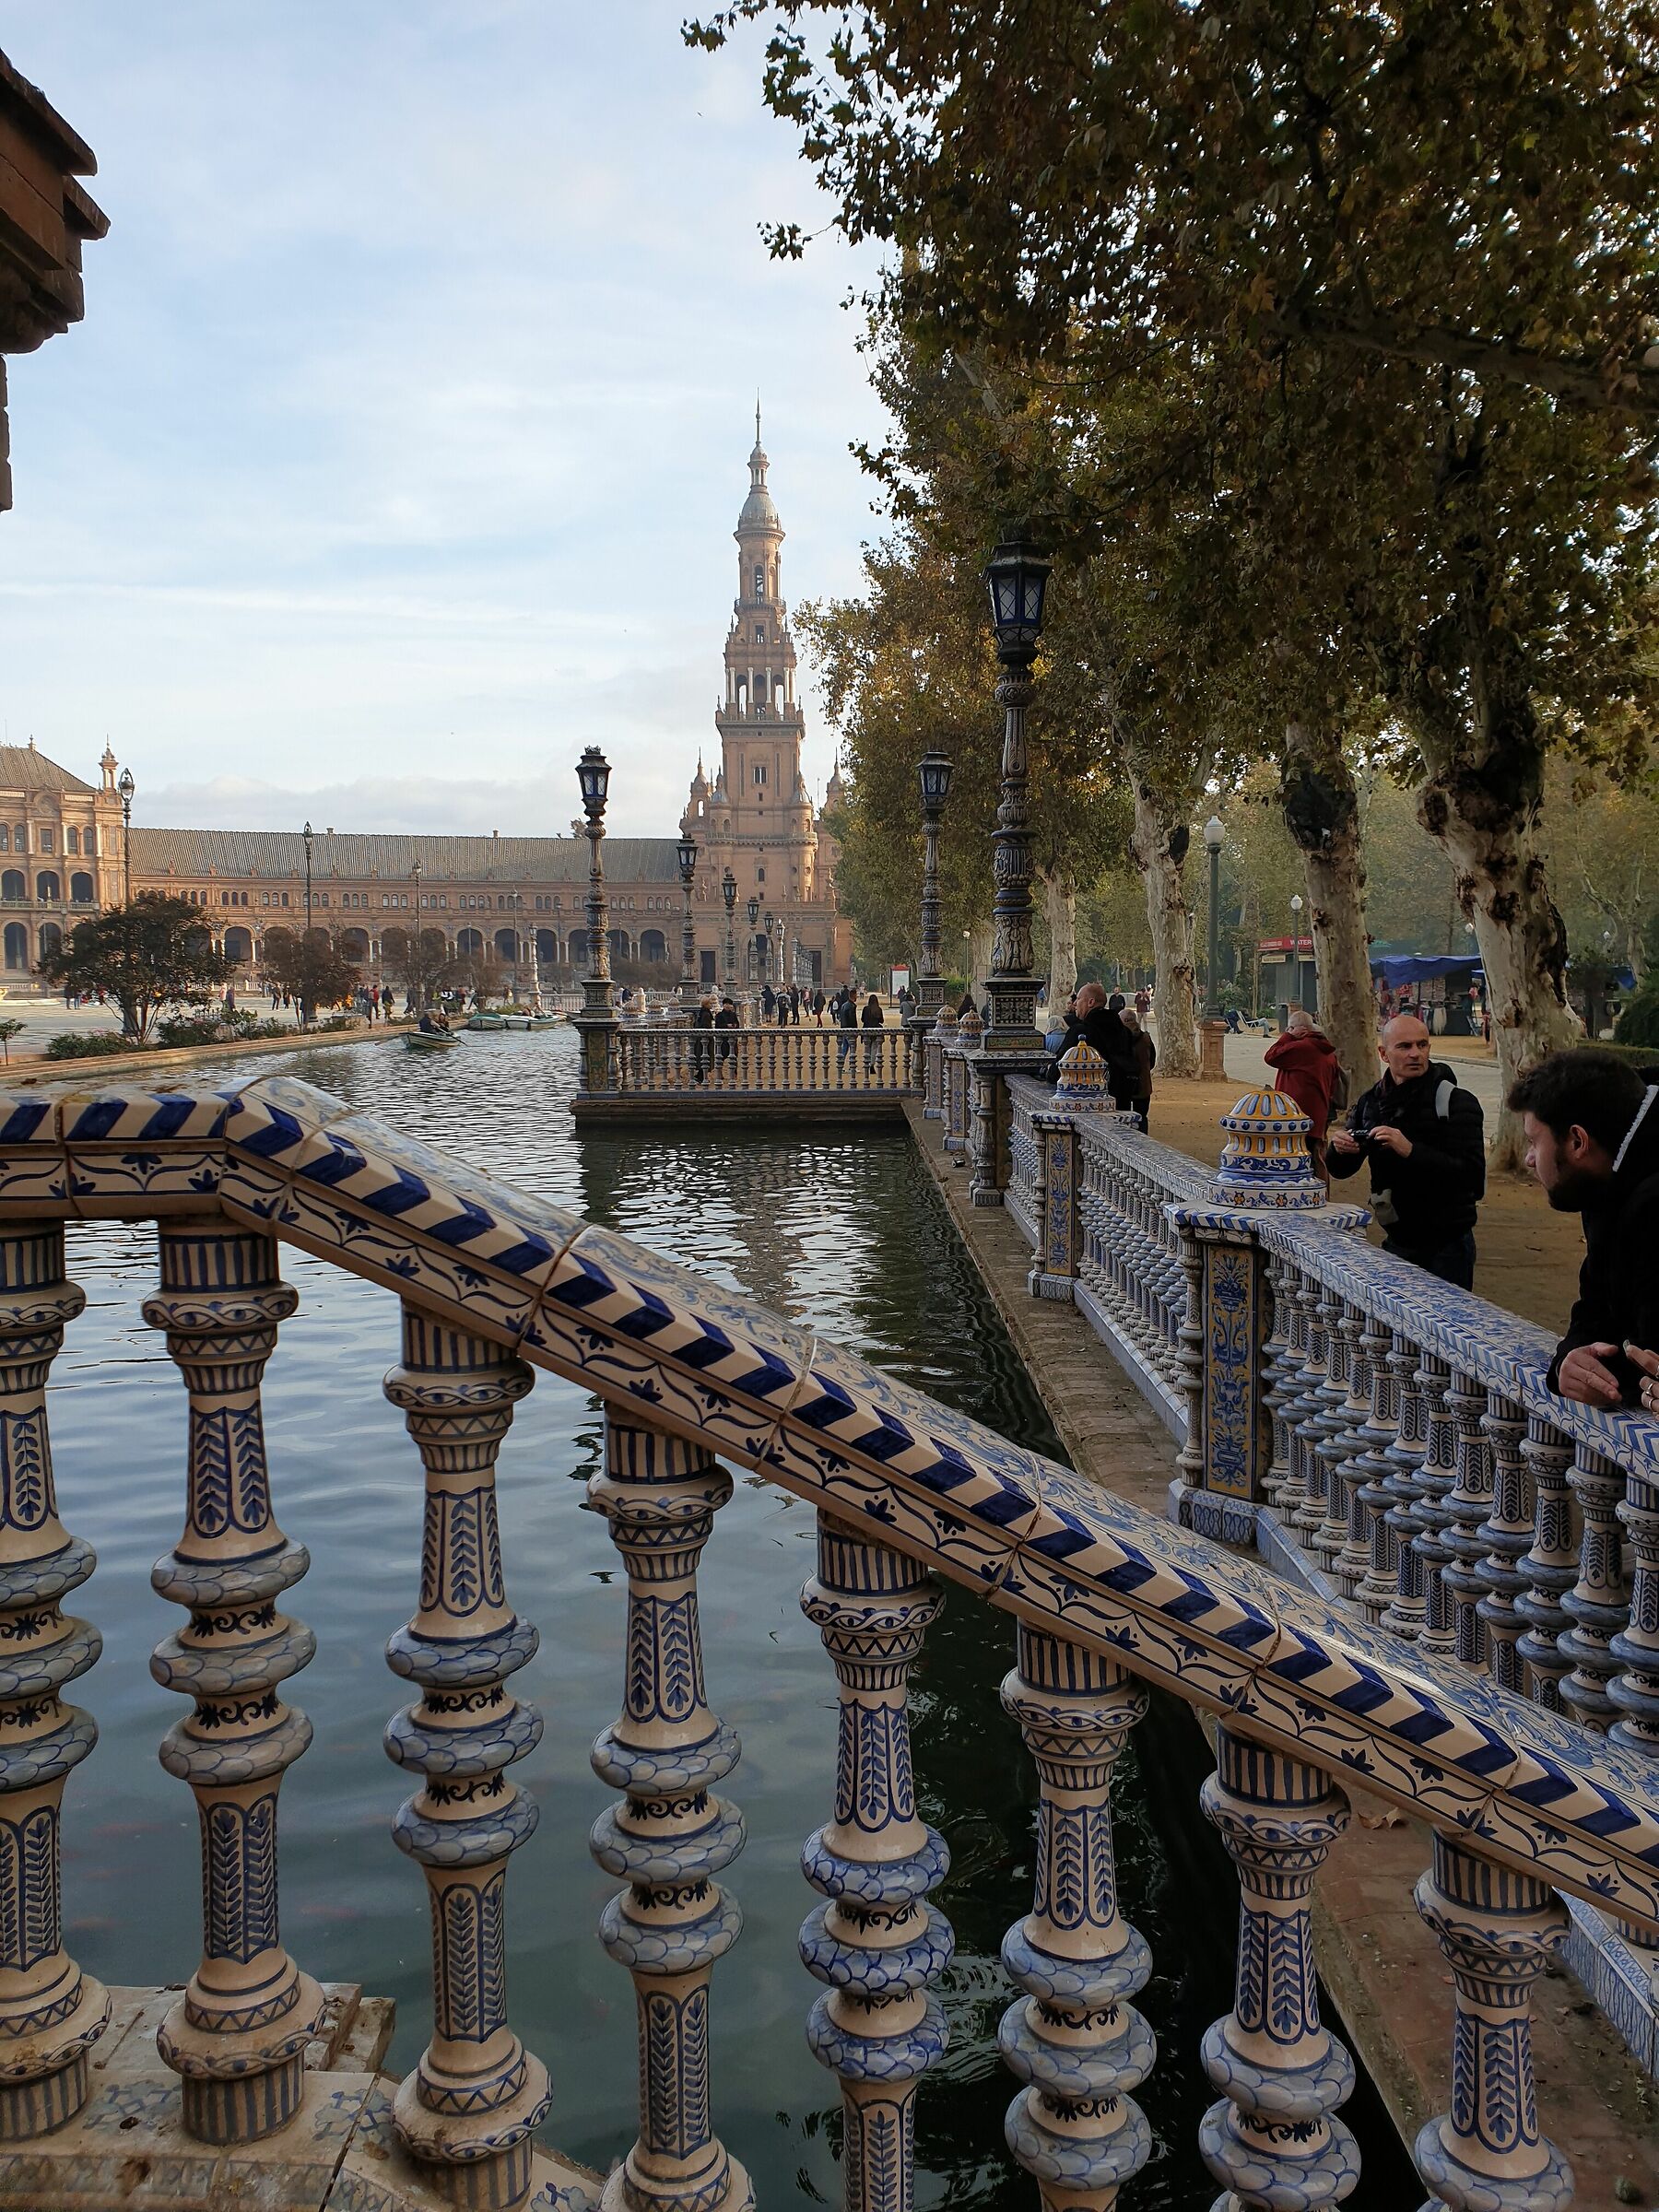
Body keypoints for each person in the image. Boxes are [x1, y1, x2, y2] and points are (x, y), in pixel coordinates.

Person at [1508, 1048, 1659, 1409]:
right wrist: (1570, 1360)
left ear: (1577, 1141)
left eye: (1534, 1141)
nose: (1529, 1159)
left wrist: (1604, 1370)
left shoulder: (1651, 1201)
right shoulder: (1604, 1178)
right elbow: (1597, 1305)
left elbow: (1650, 1349)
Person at [1328, 1015, 1486, 1288]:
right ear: (1383, 1053)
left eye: (1422, 1045)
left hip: (1448, 1245)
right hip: (1397, 1241)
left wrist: (1410, 1150)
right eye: (1404, 1047)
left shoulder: (1457, 1103)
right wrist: (1341, 1149)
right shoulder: (1371, 1103)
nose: (1415, 1054)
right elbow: (1341, 1171)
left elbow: (1473, 1180)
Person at [1265, 1010, 1343, 1176]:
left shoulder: (1303, 1048)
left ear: (1297, 1029)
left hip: (1298, 1116)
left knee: (1302, 1161)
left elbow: (1271, 1057)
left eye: (1290, 1028)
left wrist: (1287, 1036)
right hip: (1320, 1112)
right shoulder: (1326, 1049)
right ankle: (1321, 1194)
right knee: (1316, 1157)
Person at [1062, 982, 1136, 1111]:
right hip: (1120, 1102)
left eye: (1078, 999)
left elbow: (1058, 1070)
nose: (1075, 1003)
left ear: (1090, 1002)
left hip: (1088, 1105)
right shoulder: (1124, 1031)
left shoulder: (1080, 1031)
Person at [1119, 1007, 1157, 1131]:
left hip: (1123, 1084)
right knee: (1142, 1117)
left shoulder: (1120, 1039)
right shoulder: (1146, 1038)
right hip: (1143, 1084)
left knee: (1123, 1118)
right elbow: (1152, 1061)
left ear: (1125, 1020)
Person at [861, 988, 886, 1074]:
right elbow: (882, 1020)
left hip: (866, 1029)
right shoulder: (878, 1009)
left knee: (867, 1047)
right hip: (876, 1030)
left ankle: (866, 1063)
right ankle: (872, 1064)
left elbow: (862, 1019)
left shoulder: (865, 1009)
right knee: (874, 1048)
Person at [713, 994, 739, 1065]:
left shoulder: (733, 1014)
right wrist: (727, 1026)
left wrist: (735, 1025)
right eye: (726, 1004)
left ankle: (735, 1073)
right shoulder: (719, 1015)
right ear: (723, 1005)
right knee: (721, 1056)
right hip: (723, 1039)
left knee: (734, 1056)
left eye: (729, 1004)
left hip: (732, 1037)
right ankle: (720, 1073)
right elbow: (717, 1026)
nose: (728, 1006)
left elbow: (737, 1024)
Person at [836, 987, 858, 1068]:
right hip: (850, 1030)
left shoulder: (844, 1005)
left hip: (843, 1029)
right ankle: (851, 1066)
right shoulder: (851, 1006)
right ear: (854, 996)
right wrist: (855, 1031)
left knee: (844, 1048)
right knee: (853, 1048)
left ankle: (841, 1065)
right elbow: (852, 1020)